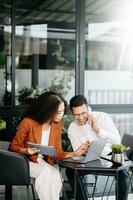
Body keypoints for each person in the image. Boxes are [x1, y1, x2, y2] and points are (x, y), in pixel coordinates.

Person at [10, 92, 87, 200]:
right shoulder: (28, 122)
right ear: (48, 110)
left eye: (63, 112)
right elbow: (13, 147)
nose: (61, 115)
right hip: (25, 161)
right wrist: (26, 150)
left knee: (55, 174)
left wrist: (73, 153)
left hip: (42, 161)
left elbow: (57, 152)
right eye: (58, 112)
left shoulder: (57, 125)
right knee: (46, 173)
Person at [66, 95, 129, 200]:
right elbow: (78, 151)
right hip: (90, 160)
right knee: (71, 172)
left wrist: (98, 130)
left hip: (110, 156)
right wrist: (83, 150)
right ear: (72, 113)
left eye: (83, 113)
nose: (80, 117)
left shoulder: (103, 117)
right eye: (76, 115)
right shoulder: (72, 128)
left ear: (88, 108)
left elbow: (117, 141)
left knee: (123, 173)